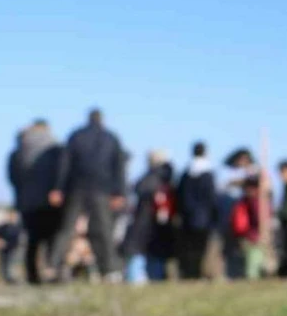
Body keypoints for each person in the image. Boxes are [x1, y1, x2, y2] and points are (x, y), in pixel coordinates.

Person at [49, 109, 127, 282]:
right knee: (104, 231)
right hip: (102, 190)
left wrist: (58, 188)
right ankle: (109, 270)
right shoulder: (111, 138)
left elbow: (64, 164)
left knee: (67, 229)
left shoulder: (76, 136)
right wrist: (119, 192)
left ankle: (53, 266)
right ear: (102, 120)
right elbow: (119, 167)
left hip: (77, 188)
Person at [7, 120, 64, 285]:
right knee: (52, 238)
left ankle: (33, 275)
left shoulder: (19, 149)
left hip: (27, 201)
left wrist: (21, 195)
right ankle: (53, 272)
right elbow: (61, 172)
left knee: (32, 240)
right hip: (51, 200)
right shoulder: (55, 148)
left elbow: (13, 177)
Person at [123, 150, 176, 284]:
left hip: (146, 222)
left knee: (140, 252)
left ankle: (137, 278)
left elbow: (138, 189)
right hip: (157, 224)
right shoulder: (166, 178)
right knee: (154, 253)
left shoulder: (152, 178)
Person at [176, 142, 218, 280]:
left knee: (189, 249)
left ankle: (190, 273)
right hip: (203, 219)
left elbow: (180, 196)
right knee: (201, 249)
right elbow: (212, 198)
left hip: (188, 218)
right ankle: (199, 274)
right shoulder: (208, 174)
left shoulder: (185, 173)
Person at [227, 176, 265, 280]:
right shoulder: (247, 201)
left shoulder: (256, 202)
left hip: (253, 237)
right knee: (249, 265)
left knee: (252, 266)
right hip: (248, 236)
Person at [0, 211, 22, 284]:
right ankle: (5, 279)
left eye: (13, 216)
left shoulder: (18, 228)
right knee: (3, 265)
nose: (12, 218)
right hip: (3, 250)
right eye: (10, 216)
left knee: (12, 265)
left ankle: (12, 279)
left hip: (14, 249)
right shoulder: (3, 227)